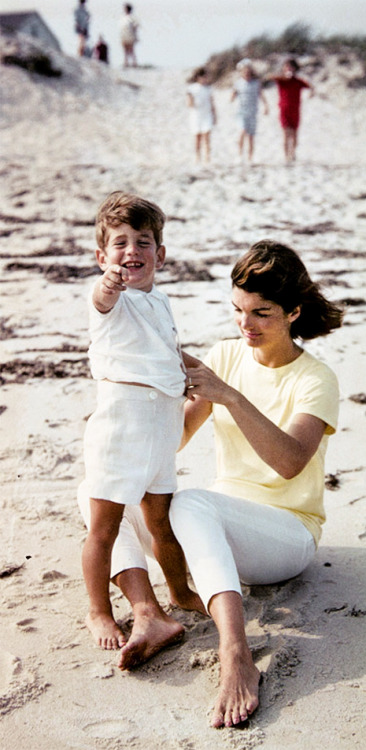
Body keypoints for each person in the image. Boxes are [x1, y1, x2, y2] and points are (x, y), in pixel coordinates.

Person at [79, 239, 342, 727]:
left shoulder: (315, 378)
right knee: (100, 489)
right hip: (215, 532)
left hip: (286, 536)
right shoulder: (226, 354)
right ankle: (149, 612)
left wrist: (231, 396)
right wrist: (123, 420)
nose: (246, 325)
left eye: (262, 313)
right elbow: (173, 436)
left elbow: (289, 463)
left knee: (192, 504)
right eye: (238, 311)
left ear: (294, 312)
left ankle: (236, 654)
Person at [78, 190, 204, 657]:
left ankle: (179, 590)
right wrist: (109, 282)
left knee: (161, 522)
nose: (132, 251)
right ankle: (98, 610)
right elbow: (102, 296)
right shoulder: (111, 301)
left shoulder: (161, 299)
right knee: (104, 526)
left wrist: (189, 375)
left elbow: (165, 349)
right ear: (102, 256)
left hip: (161, 426)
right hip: (122, 425)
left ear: (161, 254)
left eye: (144, 242)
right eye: (120, 243)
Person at [272, 58, 314, 163]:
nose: (289, 69)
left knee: (294, 135)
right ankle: (286, 157)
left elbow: (310, 86)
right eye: (286, 67)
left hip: (295, 111)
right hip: (284, 110)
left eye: (291, 67)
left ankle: (293, 153)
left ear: (295, 69)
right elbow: (271, 77)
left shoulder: (298, 81)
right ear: (283, 68)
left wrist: (311, 93)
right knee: (286, 134)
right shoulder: (281, 80)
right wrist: (284, 76)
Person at [231, 58, 268, 163]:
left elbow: (261, 95)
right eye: (244, 71)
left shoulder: (256, 83)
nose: (246, 73)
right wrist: (232, 97)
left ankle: (250, 157)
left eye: (248, 71)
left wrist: (266, 106)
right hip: (241, 112)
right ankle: (239, 155)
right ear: (241, 72)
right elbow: (233, 95)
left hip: (253, 112)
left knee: (251, 136)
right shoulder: (238, 83)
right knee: (242, 132)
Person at [186, 67, 217, 164]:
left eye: (206, 77)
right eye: (203, 77)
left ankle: (207, 158)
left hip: (206, 115)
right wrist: (190, 100)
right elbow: (189, 103)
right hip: (196, 116)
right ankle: (197, 157)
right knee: (197, 138)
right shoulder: (192, 88)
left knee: (207, 137)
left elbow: (212, 102)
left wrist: (214, 115)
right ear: (198, 77)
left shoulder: (209, 88)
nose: (205, 79)